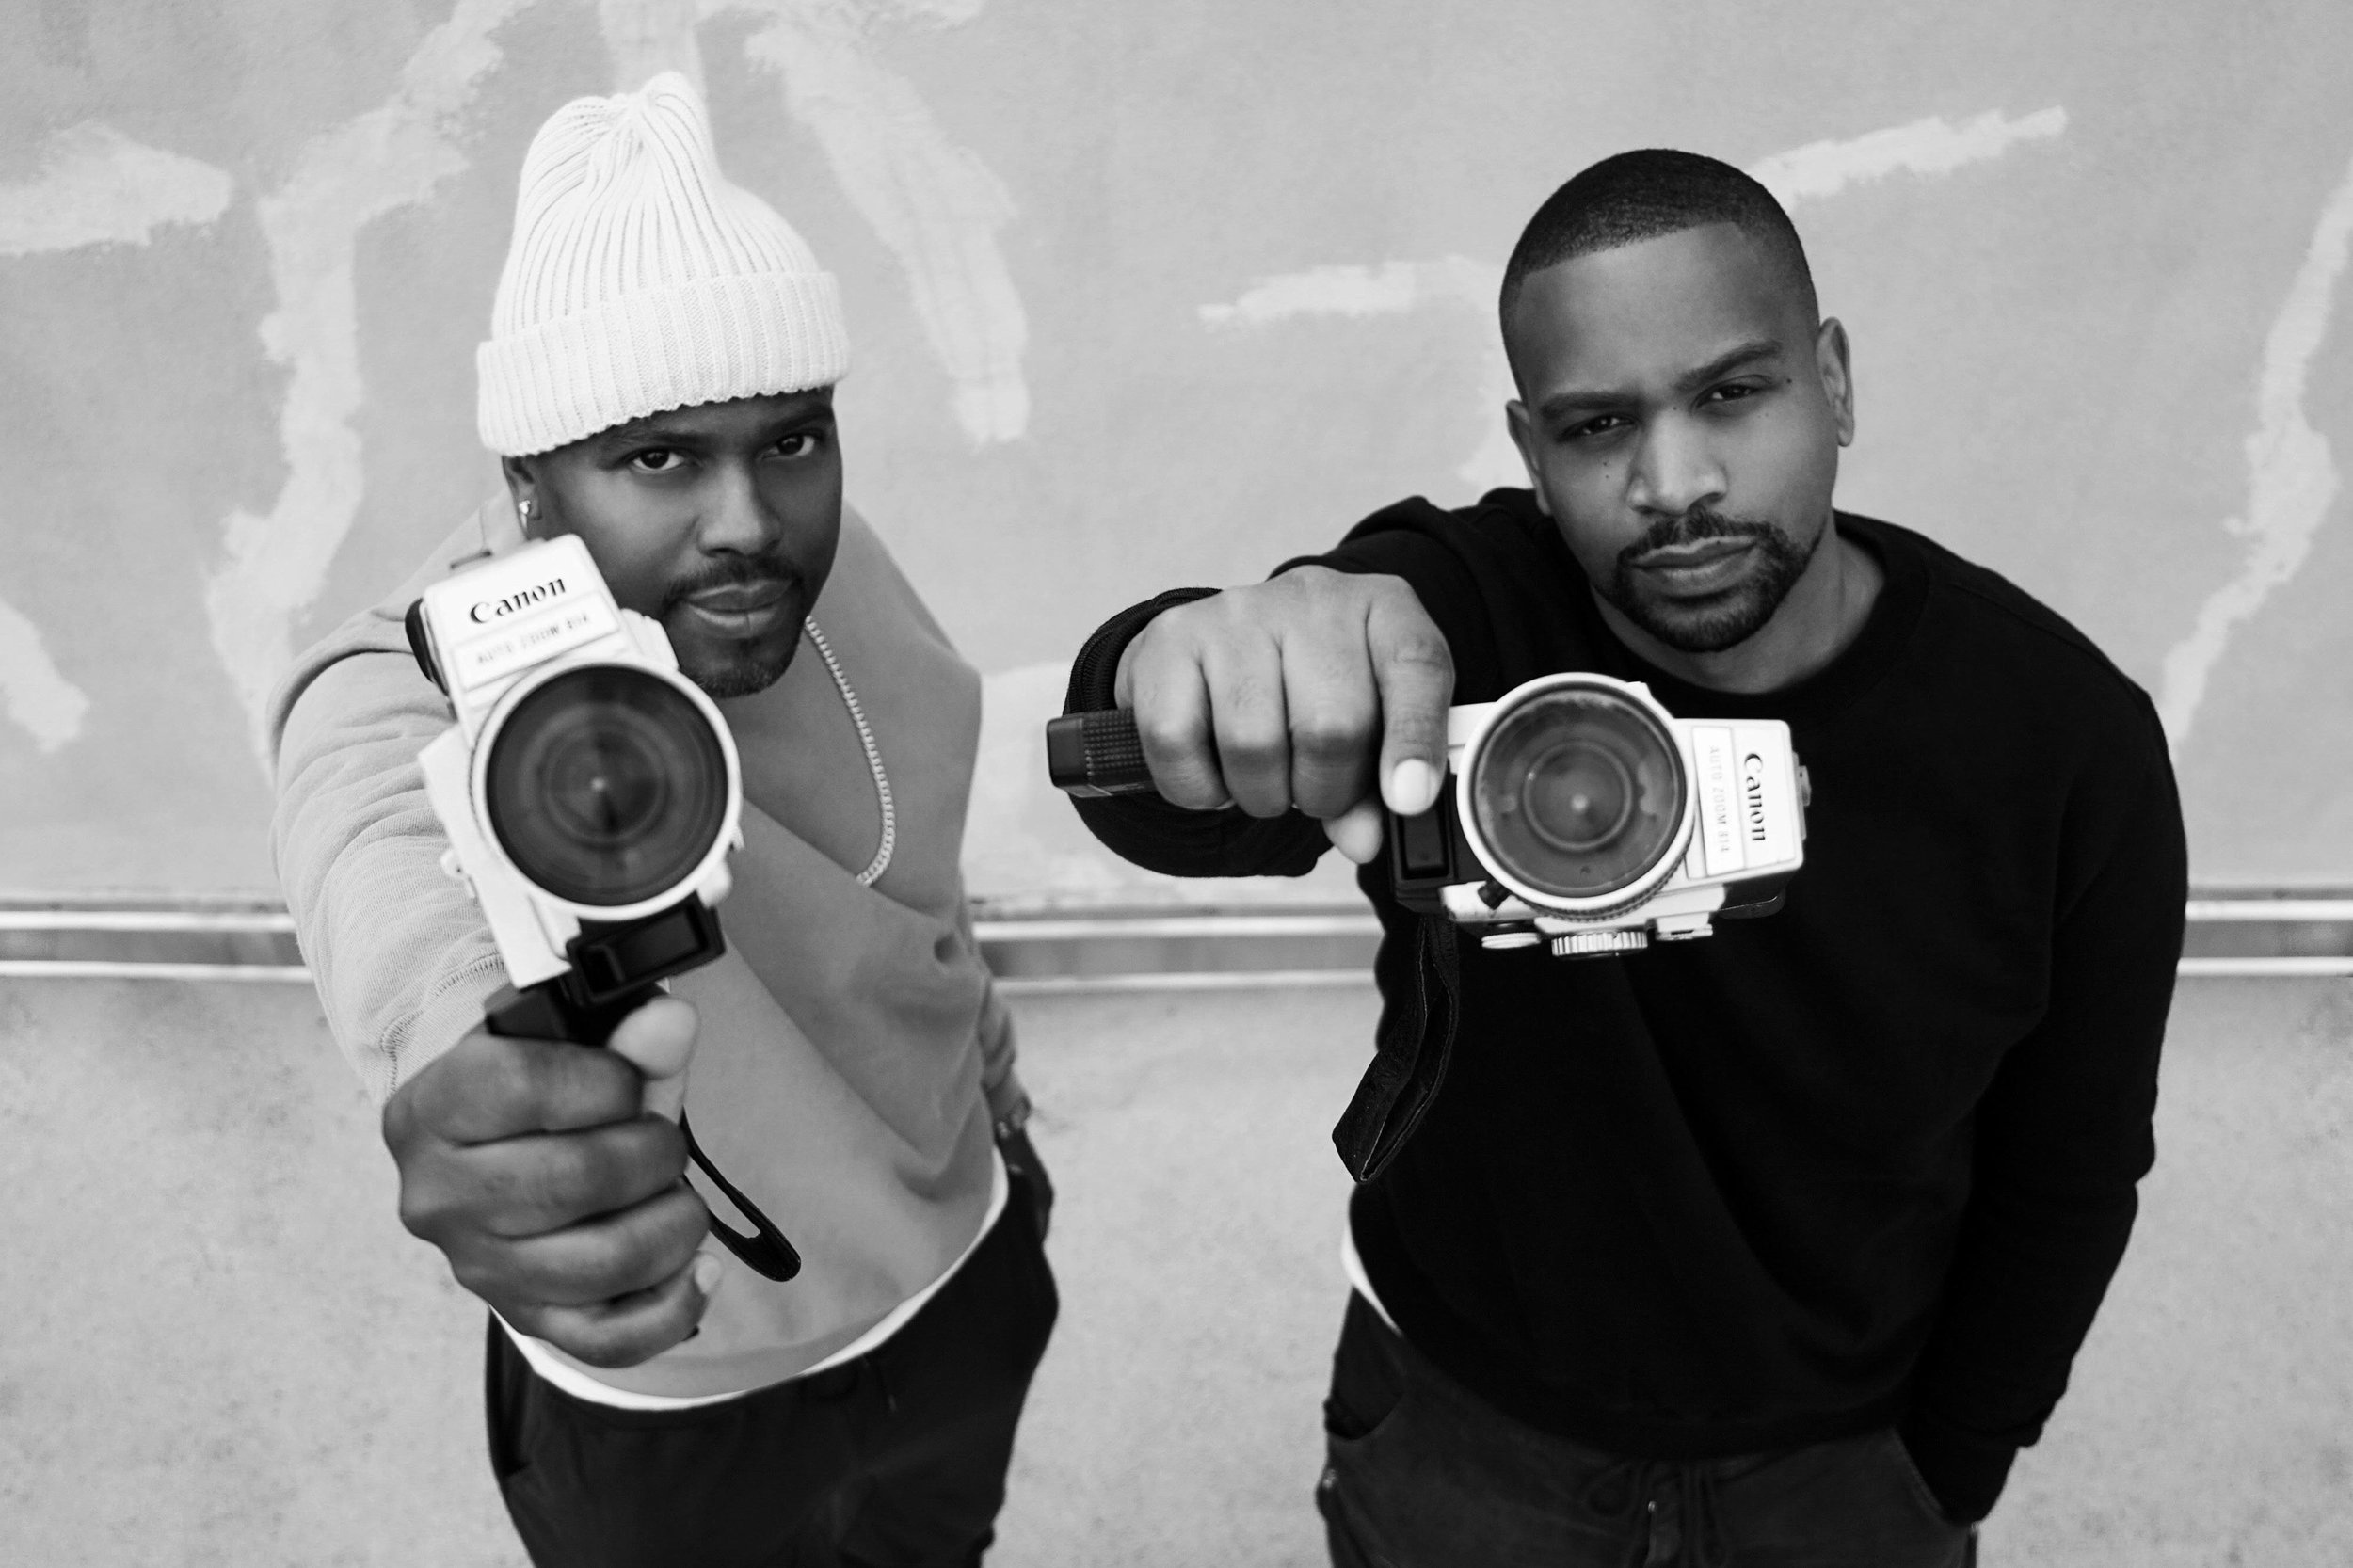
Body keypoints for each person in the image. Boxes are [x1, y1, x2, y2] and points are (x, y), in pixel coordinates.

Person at [1063, 149, 2185, 1566]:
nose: (1675, 483)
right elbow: (1173, 782)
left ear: (1834, 382)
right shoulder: (1457, 620)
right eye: (1598, 426)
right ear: (1530, 453)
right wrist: (1189, 659)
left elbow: (2073, 1161)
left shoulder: (2059, 736)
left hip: (1846, 1457)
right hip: (1462, 1416)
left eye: (1733, 393)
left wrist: (1954, 1462)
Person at [270, 73, 1054, 1568]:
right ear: (531, 486)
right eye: (658, 457)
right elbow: (383, 857)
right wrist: (465, 1068)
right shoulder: (416, 684)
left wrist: (1001, 1109)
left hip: (965, 1273)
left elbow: (919, 884)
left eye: (792, 439)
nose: (749, 520)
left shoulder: (821, 571)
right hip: (682, 1393)